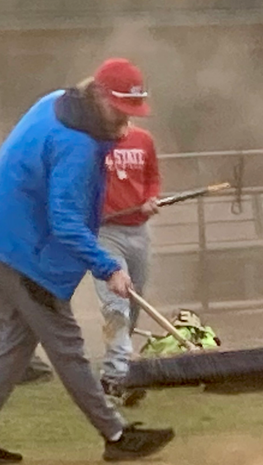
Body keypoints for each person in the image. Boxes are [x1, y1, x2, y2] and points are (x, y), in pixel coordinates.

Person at [0, 58, 175, 465]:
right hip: (22, 251)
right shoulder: (78, 145)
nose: (126, 123)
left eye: (132, 113)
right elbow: (66, 223)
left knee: (14, 342)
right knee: (66, 345)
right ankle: (116, 434)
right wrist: (109, 267)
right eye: (120, 111)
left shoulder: (57, 102)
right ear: (100, 96)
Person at [96, 122, 161, 406]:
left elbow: (152, 177)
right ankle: (118, 375)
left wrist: (150, 199)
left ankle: (114, 367)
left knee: (135, 301)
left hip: (139, 230)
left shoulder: (143, 138)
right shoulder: (91, 142)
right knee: (117, 303)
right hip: (105, 232)